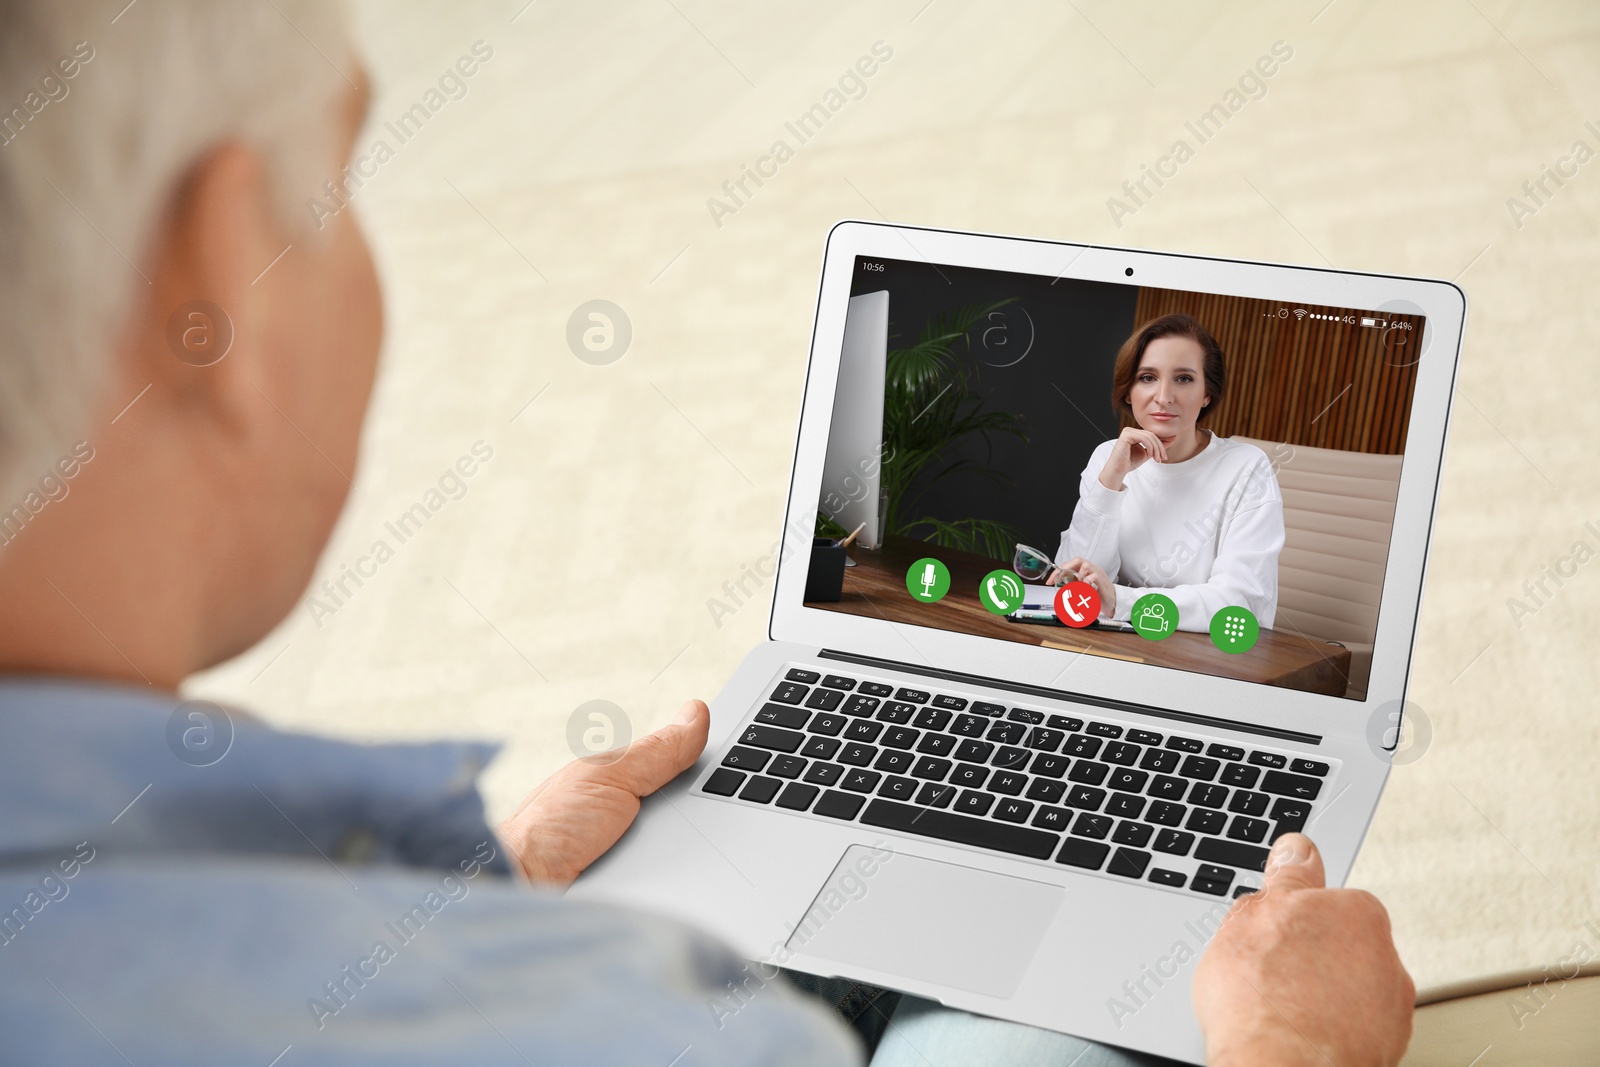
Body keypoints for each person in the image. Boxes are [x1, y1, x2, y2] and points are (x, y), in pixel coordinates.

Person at [0, 3, 1413, 1064]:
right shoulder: (588, 1027)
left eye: (1185, 379)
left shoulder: (1242, 477)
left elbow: (1229, 604)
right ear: (215, 287)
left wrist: (488, 888)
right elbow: (1082, 579)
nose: (1164, 395)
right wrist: (1291, 1047)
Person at [1048, 314, 1285, 634]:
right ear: (1128, 391)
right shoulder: (1109, 457)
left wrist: (1122, 600)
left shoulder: (1247, 468)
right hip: (1117, 644)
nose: (1163, 397)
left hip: (1203, 656)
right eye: (1147, 377)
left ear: (1207, 394)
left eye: (1184, 378)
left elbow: (1241, 605)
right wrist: (1109, 484)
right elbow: (1071, 583)